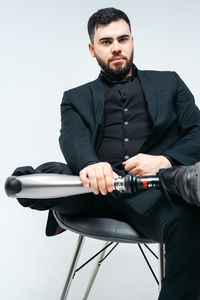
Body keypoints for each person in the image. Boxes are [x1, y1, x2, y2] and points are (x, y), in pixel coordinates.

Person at [12, 7, 200, 300]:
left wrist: (165, 160)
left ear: (132, 41)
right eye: (106, 41)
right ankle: (24, 186)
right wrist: (90, 165)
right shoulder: (75, 98)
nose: (116, 47)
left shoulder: (170, 82)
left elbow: (197, 132)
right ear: (92, 48)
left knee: (189, 221)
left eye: (122, 39)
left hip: (152, 192)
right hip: (93, 190)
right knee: (43, 173)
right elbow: (72, 137)